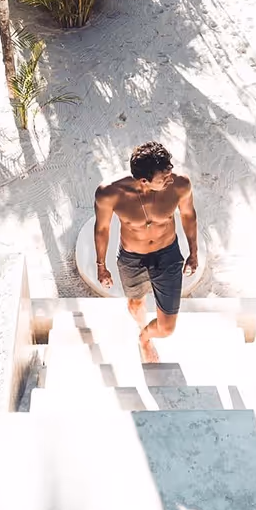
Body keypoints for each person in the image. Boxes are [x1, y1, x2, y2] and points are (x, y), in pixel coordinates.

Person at [94, 142, 198, 361]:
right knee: (135, 303)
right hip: (132, 258)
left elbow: (188, 215)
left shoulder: (180, 185)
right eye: (164, 178)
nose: (170, 179)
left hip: (167, 255)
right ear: (144, 180)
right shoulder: (110, 193)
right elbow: (102, 228)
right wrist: (101, 266)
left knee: (167, 328)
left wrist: (193, 253)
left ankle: (144, 337)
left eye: (169, 173)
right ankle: (143, 328)